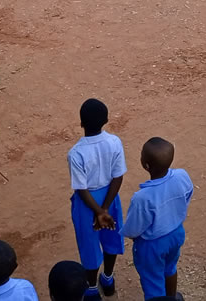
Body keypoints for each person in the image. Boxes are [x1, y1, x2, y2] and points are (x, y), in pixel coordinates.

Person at [68, 99, 127, 299]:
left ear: (81, 123)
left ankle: (92, 289)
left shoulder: (76, 153)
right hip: (110, 197)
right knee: (111, 238)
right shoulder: (115, 142)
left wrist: (98, 212)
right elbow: (118, 177)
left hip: (88, 204)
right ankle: (108, 280)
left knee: (89, 246)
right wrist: (105, 209)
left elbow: (81, 189)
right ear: (106, 120)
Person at [123, 137, 194, 301]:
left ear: (146, 165)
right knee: (170, 268)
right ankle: (172, 297)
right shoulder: (182, 176)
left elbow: (133, 230)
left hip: (152, 245)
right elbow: (188, 194)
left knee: (152, 282)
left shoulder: (142, 197)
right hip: (176, 234)